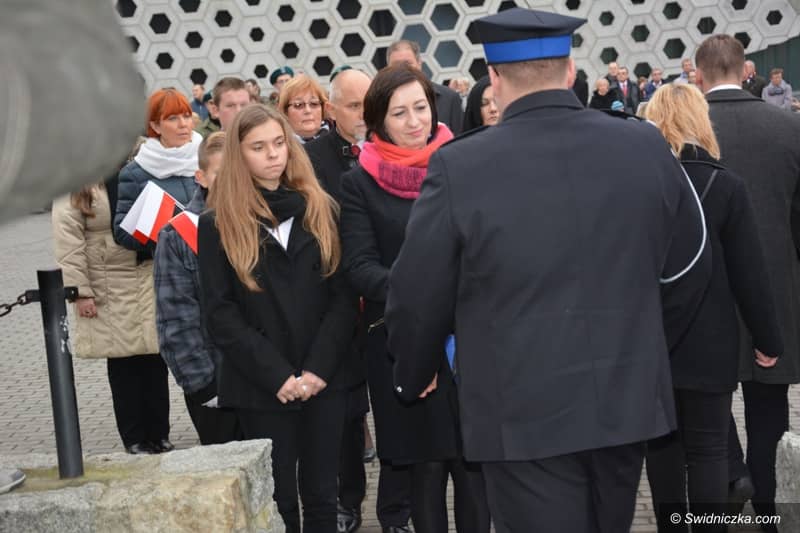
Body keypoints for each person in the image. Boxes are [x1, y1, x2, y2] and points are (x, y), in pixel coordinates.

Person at [384, 8, 711, 533]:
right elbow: (690, 266)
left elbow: (417, 293)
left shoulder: (460, 165)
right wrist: (638, 340)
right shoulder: (643, 143)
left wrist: (413, 371)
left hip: (519, 410)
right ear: (570, 70)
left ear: (494, 78)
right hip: (623, 400)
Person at [340, 63, 490, 533]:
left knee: (474, 471)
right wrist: (423, 295)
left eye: (420, 107)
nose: (414, 121)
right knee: (425, 472)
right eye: (399, 112)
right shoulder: (358, 182)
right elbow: (360, 266)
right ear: (378, 120)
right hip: (403, 343)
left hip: (470, 341)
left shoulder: (464, 164)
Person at [198, 104, 356, 533]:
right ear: (239, 155)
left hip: (324, 376)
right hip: (261, 385)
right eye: (258, 147)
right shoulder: (217, 224)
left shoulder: (322, 207)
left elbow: (344, 298)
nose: (273, 154)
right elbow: (220, 312)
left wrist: (318, 370)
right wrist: (278, 376)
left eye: (279, 143)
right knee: (278, 498)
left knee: (323, 496)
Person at [643, 83, 783, 532]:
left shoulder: (640, 186)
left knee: (661, 451)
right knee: (709, 451)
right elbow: (750, 273)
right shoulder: (726, 185)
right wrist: (768, 340)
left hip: (653, 342)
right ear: (701, 121)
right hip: (711, 342)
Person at [695, 33, 800, 530]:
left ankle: (732, 477)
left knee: (708, 405)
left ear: (698, 74)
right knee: (769, 405)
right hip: (776, 287)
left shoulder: (686, 131)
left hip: (704, 292)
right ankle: (770, 507)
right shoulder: (789, 127)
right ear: (746, 71)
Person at [53, 156, 164, 454]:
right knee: (124, 362)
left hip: (148, 274)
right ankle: (134, 437)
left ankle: (159, 432)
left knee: (155, 359)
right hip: (107, 283)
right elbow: (68, 242)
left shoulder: (143, 162)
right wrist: (80, 292)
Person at [112, 88, 202, 453]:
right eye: (172, 118)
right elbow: (121, 231)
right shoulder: (136, 172)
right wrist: (160, 231)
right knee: (185, 355)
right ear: (154, 126)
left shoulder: (206, 156)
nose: (183, 124)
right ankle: (148, 434)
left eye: (186, 115)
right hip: (173, 275)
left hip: (212, 272)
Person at [304, 68, 373, 533]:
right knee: (348, 413)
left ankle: (398, 508)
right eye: (353, 105)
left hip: (385, 300)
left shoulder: (390, 148)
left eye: (369, 102)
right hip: (338, 302)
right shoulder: (309, 160)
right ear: (331, 110)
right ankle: (349, 500)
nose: (364, 113)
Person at [153, 131, 242, 446]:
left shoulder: (262, 220)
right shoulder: (179, 235)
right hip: (216, 383)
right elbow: (175, 321)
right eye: (221, 174)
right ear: (201, 177)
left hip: (269, 380)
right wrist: (204, 387)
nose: (231, 182)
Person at [386, 40, 464, 134]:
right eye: (396, 65)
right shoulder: (381, 102)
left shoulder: (449, 98)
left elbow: (461, 138)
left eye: (407, 64)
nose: (402, 69)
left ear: (419, 64)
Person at [279, 75, 331, 143]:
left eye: (314, 103)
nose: (308, 110)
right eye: (298, 105)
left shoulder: (340, 138)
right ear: (285, 111)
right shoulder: (278, 145)